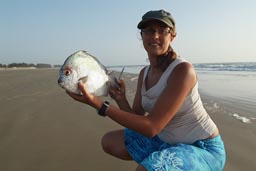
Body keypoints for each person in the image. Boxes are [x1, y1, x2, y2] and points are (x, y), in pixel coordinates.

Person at [67, 9, 226, 171]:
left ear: (172, 36)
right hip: (165, 141)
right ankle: (159, 161)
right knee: (110, 141)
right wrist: (121, 99)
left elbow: (151, 127)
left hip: (202, 148)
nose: (155, 36)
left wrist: (100, 105)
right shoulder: (144, 73)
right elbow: (137, 119)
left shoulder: (182, 70)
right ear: (142, 35)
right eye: (149, 30)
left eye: (162, 30)